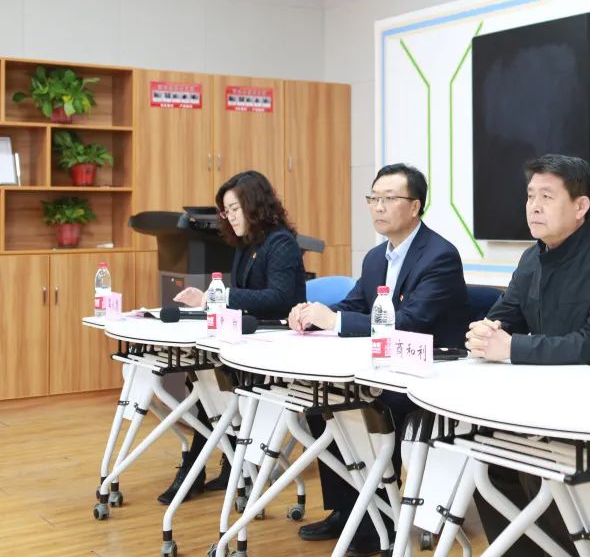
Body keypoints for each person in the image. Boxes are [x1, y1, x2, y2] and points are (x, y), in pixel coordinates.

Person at [465, 154, 590, 556]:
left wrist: (511, 347)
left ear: (580, 205)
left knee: (538, 458)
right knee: (487, 454)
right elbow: (505, 314)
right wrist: (484, 332)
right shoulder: (532, 257)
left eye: (547, 197)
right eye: (530, 196)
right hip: (556, 395)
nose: (534, 206)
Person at [287, 163, 469, 557]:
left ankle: (382, 521)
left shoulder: (439, 256)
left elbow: (409, 322)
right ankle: (348, 511)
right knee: (322, 401)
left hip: (429, 376)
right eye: (373, 198)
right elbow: (355, 305)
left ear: (415, 206)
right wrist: (313, 314)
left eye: (389, 199)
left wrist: (335, 321)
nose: (378, 207)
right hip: (384, 368)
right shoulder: (375, 258)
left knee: (366, 405)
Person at [159, 170, 307, 504]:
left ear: (255, 205)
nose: (230, 217)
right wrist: (210, 301)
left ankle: (197, 469)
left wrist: (220, 297)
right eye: (226, 211)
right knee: (204, 380)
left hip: (278, 343)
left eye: (235, 209)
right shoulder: (245, 245)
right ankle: (218, 465)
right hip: (250, 337)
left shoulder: (280, 243)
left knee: (210, 381)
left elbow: (280, 298)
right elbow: (242, 296)